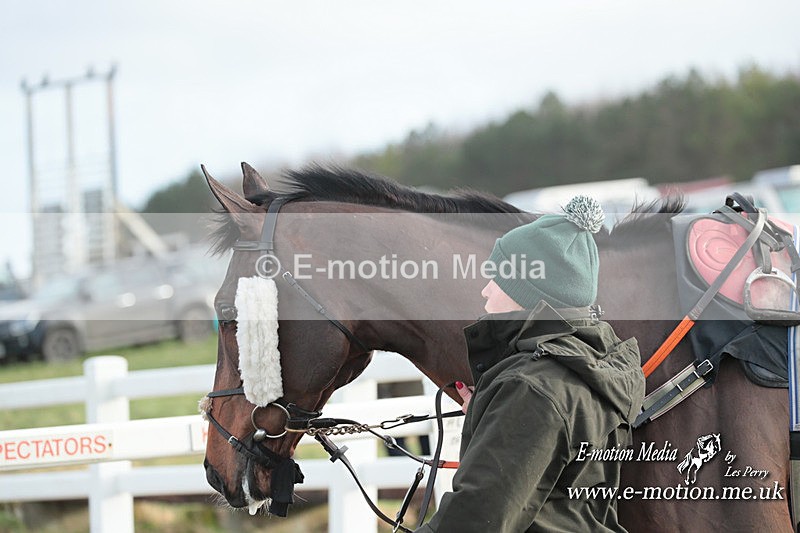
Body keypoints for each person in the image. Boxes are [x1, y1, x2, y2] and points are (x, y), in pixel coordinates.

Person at [416, 196, 645, 532]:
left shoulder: (532, 390)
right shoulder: (590, 363)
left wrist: (513, 409)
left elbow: (474, 520)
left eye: (497, 277)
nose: (485, 289)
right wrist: (495, 415)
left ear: (528, 293)